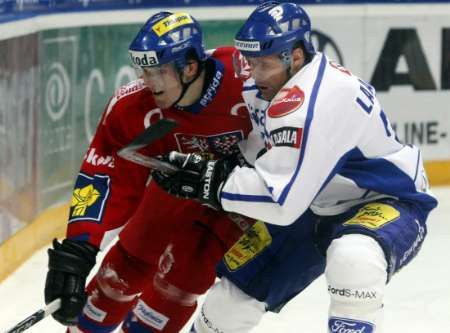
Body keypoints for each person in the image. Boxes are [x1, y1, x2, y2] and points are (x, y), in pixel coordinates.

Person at [151, 2, 438, 332]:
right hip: (313, 201)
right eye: (251, 62)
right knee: (227, 306)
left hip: (385, 199)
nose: (254, 73)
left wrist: (209, 181)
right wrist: (222, 164)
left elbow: (279, 202)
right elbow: (266, 151)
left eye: (264, 64)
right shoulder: (268, 84)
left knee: (354, 258)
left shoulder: (316, 101)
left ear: (296, 56)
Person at [44, 11, 254, 333]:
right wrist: (80, 246)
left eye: (158, 70)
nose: (148, 81)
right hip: (178, 186)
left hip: (240, 198)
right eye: (144, 69)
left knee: (185, 276)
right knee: (123, 272)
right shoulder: (135, 109)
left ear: (190, 67)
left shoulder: (249, 79)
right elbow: (106, 174)